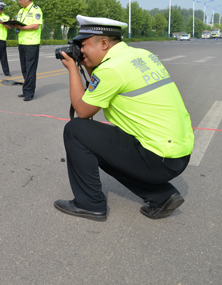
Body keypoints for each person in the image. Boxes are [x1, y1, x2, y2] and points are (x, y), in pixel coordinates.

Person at [55, 15, 193, 222]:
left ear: (103, 43)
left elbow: (83, 111)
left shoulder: (112, 69)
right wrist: (89, 66)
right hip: (177, 153)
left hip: (158, 158)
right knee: (103, 147)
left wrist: (74, 69)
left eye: (83, 45)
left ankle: (89, 204)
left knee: (76, 131)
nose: (80, 51)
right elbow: (103, 85)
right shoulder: (141, 55)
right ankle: (162, 196)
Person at [14, 0, 43, 101]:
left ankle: (29, 93)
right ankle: (26, 89)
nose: (19, 1)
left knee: (30, 68)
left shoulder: (36, 10)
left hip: (32, 43)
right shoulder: (21, 11)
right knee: (24, 68)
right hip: (22, 42)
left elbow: (36, 26)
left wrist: (21, 27)